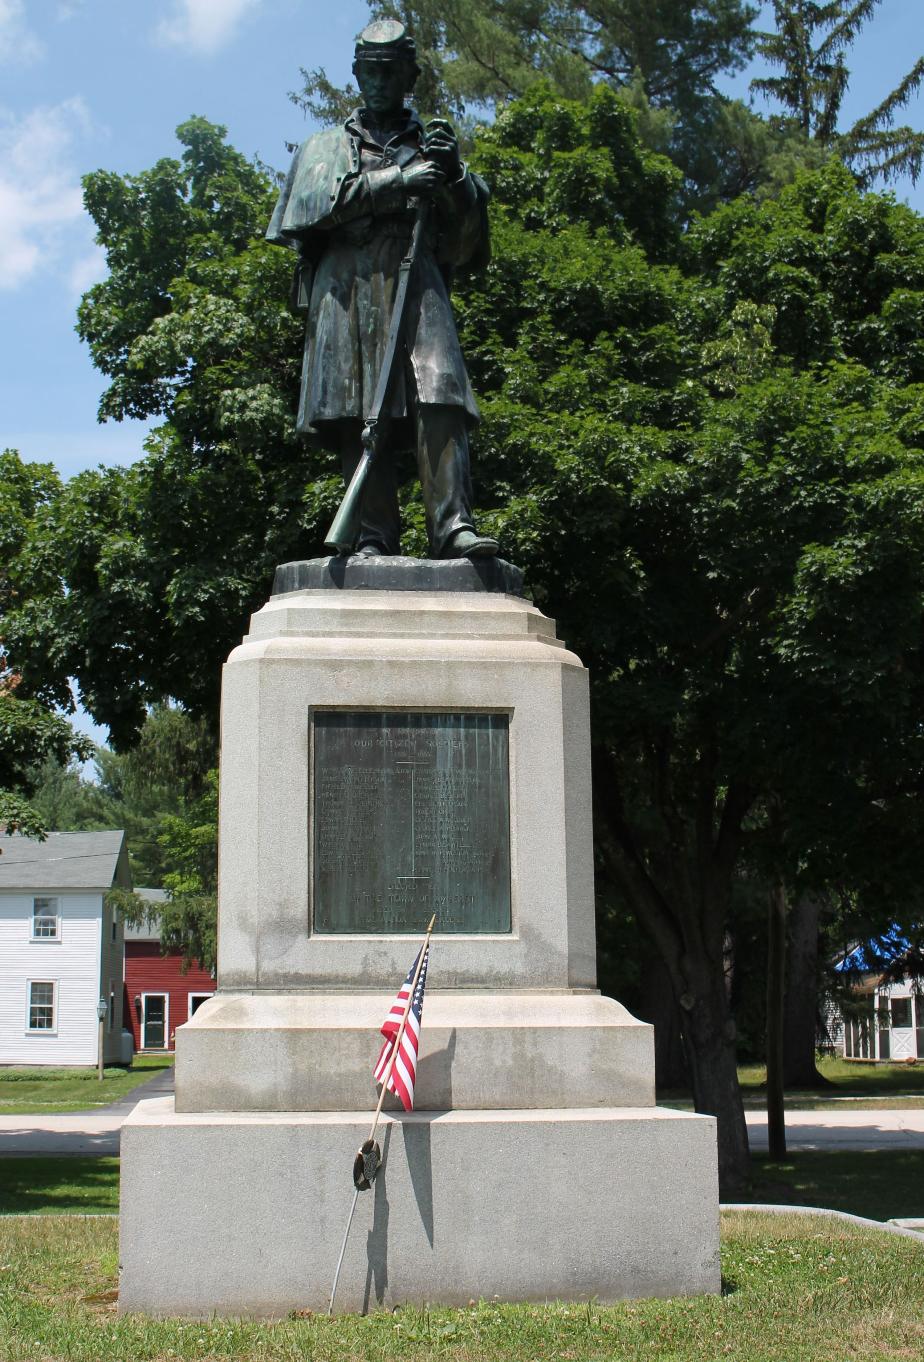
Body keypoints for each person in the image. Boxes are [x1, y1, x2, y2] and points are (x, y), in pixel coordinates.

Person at [267, 19, 498, 560]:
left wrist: (455, 176)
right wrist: (399, 181)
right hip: (348, 283)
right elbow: (309, 212)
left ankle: (453, 527)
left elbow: (471, 243)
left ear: (409, 75)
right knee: (356, 409)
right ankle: (372, 537)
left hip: (418, 280)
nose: (378, 81)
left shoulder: (434, 148)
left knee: (439, 391)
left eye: (390, 71)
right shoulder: (324, 147)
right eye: (370, 71)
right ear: (356, 74)